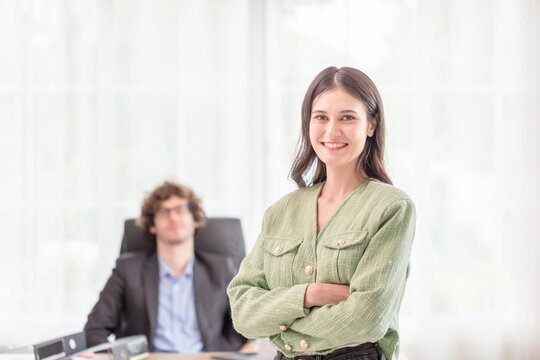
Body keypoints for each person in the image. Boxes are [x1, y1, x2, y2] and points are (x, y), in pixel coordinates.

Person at [227, 67, 416, 360]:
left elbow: (368, 317)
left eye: (347, 117)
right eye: (321, 117)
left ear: (371, 124)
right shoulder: (281, 212)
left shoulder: (391, 208)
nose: (331, 131)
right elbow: (242, 311)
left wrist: (285, 331)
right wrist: (308, 295)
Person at [84, 181, 258, 353]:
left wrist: (248, 349)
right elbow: (94, 330)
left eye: (181, 209)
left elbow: (250, 326)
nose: (173, 217)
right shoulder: (127, 270)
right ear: (152, 225)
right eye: (163, 211)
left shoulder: (222, 270)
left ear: (195, 219)